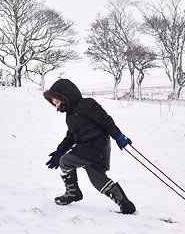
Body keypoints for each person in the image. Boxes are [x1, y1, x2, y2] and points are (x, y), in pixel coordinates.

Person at [43, 78, 136, 214]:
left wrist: (118, 136)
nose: (56, 106)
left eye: (57, 102)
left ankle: (72, 193)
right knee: (98, 181)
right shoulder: (70, 116)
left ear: (65, 97)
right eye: (54, 104)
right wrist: (59, 151)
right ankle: (126, 205)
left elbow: (106, 120)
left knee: (66, 161)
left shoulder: (87, 104)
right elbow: (71, 136)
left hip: (95, 146)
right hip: (91, 150)